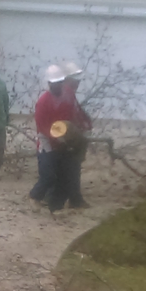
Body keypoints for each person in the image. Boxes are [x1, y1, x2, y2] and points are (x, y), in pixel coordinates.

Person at [29, 65, 79, 212]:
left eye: (60, 83)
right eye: (55, 83)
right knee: (49, 175)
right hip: (46, 142)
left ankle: (56, 207)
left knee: (64, 176)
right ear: (50, 84)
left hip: (65, 137)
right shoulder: (43, 102)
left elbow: (72, 114)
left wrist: (72, 132)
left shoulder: (68, 95)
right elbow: (42, 125)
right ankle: (35, 196)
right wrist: (55, 138)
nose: (57, 86)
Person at [60, 62, 93, 209]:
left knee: (71, 167)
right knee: (71, 167)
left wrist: (85, 122)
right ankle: (73, 199)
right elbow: (69, 115)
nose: (79, 82)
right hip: (69, 138)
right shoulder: (66, 92)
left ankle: (72, 197)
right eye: (76, 79)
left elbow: (76, 111)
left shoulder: (67, 92)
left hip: (70, 136)